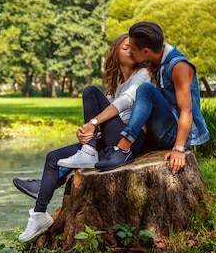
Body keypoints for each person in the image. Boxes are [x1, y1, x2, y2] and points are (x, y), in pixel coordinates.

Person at [13, 33, 154, 242]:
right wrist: (89, 129)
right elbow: (106, 112)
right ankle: (40, 212)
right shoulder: (115, 85)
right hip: (110, 139)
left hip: (129, 141)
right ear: (115, 53)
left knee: (90, 92)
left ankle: (87, 151)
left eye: (134, 48)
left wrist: (93, 124)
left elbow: (125, 102)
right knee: (53, 157)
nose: (131, 51)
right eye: (126, 47)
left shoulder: (142, 74)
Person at [94, 21, 209, 172]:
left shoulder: (178, 66)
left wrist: (179, 148)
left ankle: (123, 150)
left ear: (146, 51)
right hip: (155, 132)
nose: (131, 54)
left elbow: (186, 110)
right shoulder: (155, 62)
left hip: (174, 135)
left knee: (146, 90)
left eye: (134, 50)